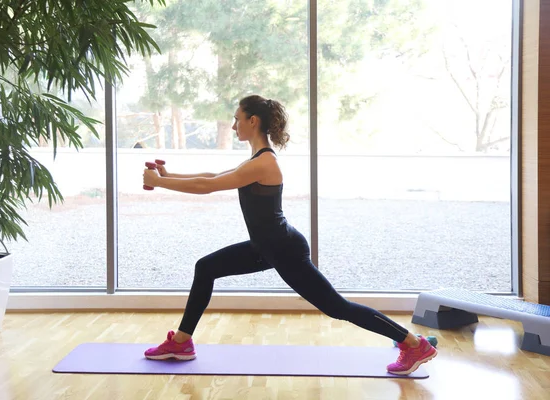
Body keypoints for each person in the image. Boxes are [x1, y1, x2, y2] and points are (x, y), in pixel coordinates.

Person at [142, 94, 437, 375]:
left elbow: (208, 187)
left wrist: (159, 182)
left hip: (284, 250)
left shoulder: (264, 163)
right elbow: (211, 177)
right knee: (205, 268)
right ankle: (181, 342)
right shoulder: (255, 159)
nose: (233, 126)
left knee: (337, 308)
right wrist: (168, 176)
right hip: (265, 247)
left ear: (253, 121)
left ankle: (414, 345)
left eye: (237, 119)